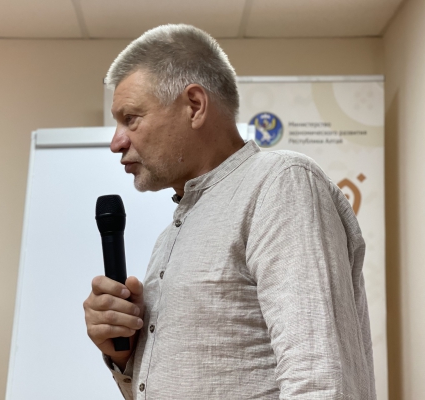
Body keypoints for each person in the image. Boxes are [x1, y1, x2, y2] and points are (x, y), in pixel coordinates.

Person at [83, 24, 376, 399]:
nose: (116, 142)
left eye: (131, 118)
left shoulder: (279, 183)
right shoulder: (170, 237)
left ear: (194, 106)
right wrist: (124, 355)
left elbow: (318, 379)